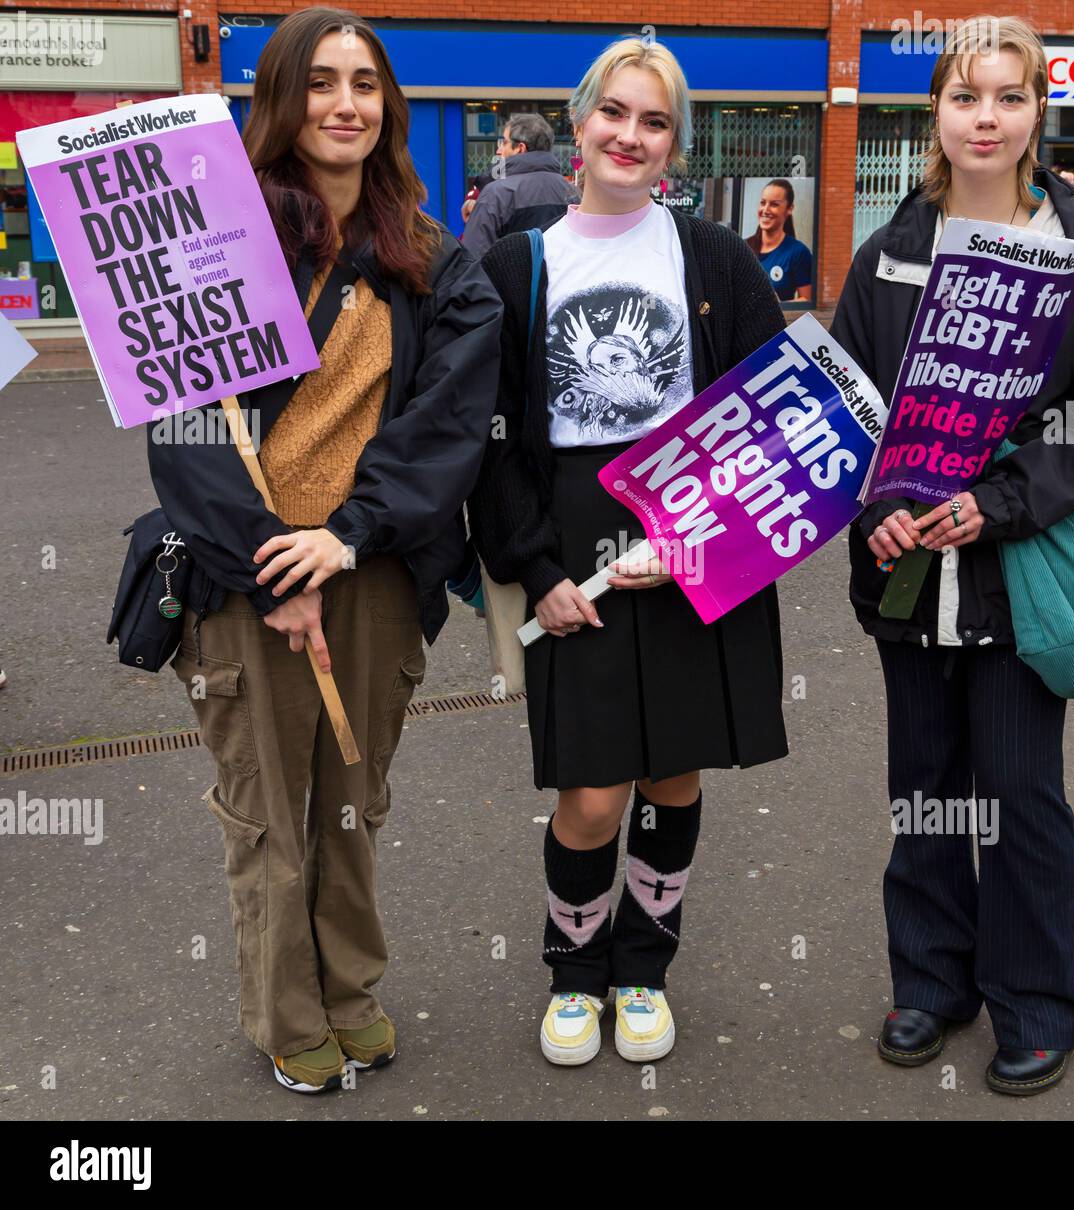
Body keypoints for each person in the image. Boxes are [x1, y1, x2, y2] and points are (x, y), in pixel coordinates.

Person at [147, 6, 501, 1093]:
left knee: (351, 799)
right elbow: (184, 424)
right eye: (322, 82)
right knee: (267, 808)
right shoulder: (211, 241)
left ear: (386, 106)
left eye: (365, 83)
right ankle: (288, 1012)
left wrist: (342, 542)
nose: (345, 104)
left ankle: (352, 991)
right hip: (238, 573)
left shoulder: (435, 259)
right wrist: (270, 559)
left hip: (375, 573)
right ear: (284, 99)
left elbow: (446, 424)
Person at [831, 14, 1074, 1095]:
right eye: (966, 95)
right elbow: (845, 410)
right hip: (909, 575)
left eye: (1008, 96)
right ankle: (930, 984)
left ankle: (1039, 1000)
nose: (985, 116)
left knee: (1018, 791)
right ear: (937, 112)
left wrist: (999, 500)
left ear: (1034, 115)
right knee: (923, 789)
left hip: (1018, 572)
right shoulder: (888, 254)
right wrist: (872, 504)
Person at [468, 37, 788, 1067]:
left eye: (654, 122)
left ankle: (644, 966)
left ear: (674, 143)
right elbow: (493, 434)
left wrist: (692, 536)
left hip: (688, 529)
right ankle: (574, 973)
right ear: (578, 121)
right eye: (615, 113)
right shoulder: (519, 260)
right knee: (594, 789)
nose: (631, 136)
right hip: (570, 535)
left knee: (675, 776)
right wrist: (537, 569)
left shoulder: (717, 260)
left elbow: (766, 420)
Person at [461, 113, 579, 256]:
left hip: (505, 278)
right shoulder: (574, 193)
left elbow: (473, 259)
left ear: (520, 148)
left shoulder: (496, 194)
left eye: (504, 142)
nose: (499, 150)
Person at [745, 178, 813, 302]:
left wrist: (777, 306)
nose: (765, 210)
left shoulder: (799, 252)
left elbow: (807, 299)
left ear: (789, 208)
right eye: (763, 203)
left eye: (774, 204)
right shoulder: (743, 247)